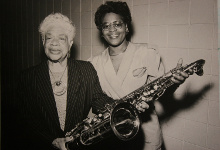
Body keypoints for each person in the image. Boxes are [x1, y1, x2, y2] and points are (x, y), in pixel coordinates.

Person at [90, 1, 192, 150]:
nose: (112, 30)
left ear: (126, 26)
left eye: (117, 24)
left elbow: (162, 94)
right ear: (101, 31)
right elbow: (95, 101)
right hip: (112, 137)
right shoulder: (93, 63)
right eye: (106, 26)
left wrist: (174, 82)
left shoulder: (147, 53)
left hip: (146, 136)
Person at [16, 13, 119, 150]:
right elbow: (26, 120)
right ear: (43, 42)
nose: (54, 43)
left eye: (61, 38)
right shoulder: (27, 77)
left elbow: (99, 99)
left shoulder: (86, 69)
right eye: (49, 37)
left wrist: (122, 107)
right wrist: (51, 140)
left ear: (70, 44)